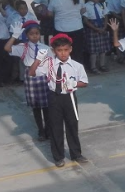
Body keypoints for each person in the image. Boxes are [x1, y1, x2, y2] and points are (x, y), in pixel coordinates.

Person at [28, 34, 88, 167]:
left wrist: (75, 84)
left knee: (72, 126)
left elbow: (84, 82)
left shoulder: (76, 66)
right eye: (59, 50)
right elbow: (31, 73)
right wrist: (38, 59)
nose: (63, 53)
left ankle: (76, 154)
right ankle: (58, 156)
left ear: (70, 49)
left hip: (70, 97)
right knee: (55, 127)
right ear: (53, 50)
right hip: (54, 97)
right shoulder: (49, 64)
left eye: (66, 50)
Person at [4, 21, 53, 140]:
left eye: (37, 33)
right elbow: (7, 48)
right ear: (26, 35)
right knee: (36, 107)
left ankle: (48, 129)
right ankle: (41, 131)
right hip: (31, 77)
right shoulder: (23, 47)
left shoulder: (46, 48)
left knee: (47, 106)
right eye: (31, 34)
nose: (35, 36)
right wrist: (14, 36)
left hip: (44, 76)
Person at [81, 0, 111, 74]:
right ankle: (93, 66)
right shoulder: (86, 6)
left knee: (103, 49)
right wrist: (96, 28)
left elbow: (106, 15)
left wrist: (105, 26)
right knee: (93, 50)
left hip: (102, 26)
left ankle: (102, 65)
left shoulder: (101, 4)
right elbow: (85, 20)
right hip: (92, 28)